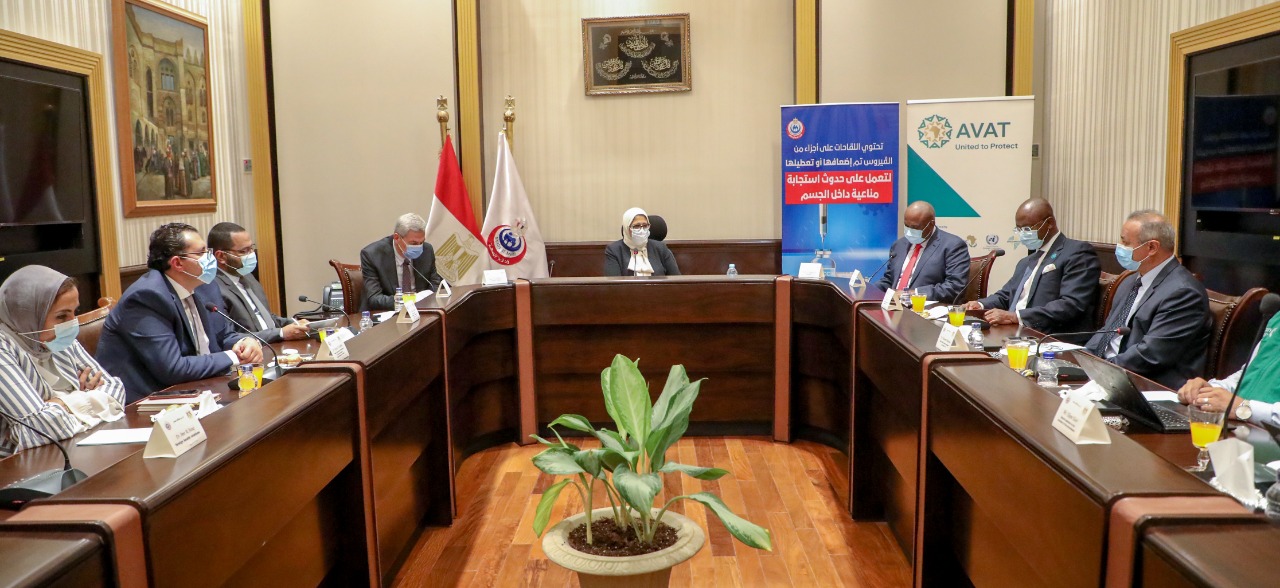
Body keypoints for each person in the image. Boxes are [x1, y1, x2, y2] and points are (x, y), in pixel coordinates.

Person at [96, 223, 263, 402]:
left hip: (201, 389)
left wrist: (245, 342)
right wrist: (233, 356)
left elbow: (224, 335)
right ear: (177, 263)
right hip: (147, 402)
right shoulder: (147, 297)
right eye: (201, 253)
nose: (210, 258)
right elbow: (173, 368)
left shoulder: (205, 286)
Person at [0, 266, 126, 456]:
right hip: (17, 465)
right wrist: (87, 399)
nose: (72, 323)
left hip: (74, 450)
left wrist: (62, 403)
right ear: (26, 315)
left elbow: (116, 391)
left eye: (75, 312)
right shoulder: (4, 347)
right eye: (61, 316)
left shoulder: (58, 339)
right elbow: (42, 428)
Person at [1085, 210, 1210, 389]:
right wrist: (1084, 359)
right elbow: (1108, 331)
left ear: (1151, 247)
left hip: (1148, 385)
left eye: (1125, 242)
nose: (1119, 247)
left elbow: (1151, 355)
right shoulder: (1130, 281)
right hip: (1111, 374)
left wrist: (1101, 369)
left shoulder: (1183, 293)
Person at [965, 198, 1100, 337]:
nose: (1023, 234)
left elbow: (1071, 304)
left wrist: (1016, 317)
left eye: (1027, 229)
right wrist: (980, 305)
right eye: (1019, 229)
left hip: (1050, 336)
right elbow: (1006, 295)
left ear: (1049, 223)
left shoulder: (1077, 252)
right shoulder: (1026, 261)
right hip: (1014, 333)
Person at [1178, 306, 1280, 428]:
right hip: (1240, 426)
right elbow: (1248, 375)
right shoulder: (1277, 319)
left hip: (1270, 435)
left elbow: (1239, 406)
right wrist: (1210, 391)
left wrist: (1243, 408)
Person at [208, 222, 309, 343]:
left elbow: (266, 318)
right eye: (244, 251)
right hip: (252, 351)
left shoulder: (248, 277)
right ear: (221, 257)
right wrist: (281, 333)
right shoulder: (213, 289)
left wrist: (295, 323)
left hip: (274, 345)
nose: (251, 254)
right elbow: (230, 337)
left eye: (251, 248)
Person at [875, 201, 970, 301]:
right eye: (906, 226)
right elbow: (889, 280)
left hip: (924, 307)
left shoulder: (952, 246)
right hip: (894, 305)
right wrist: (869, 289)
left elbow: (955, 287)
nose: (909, 231)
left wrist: (911, 294)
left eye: (915, 227)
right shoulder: (899, 245)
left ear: (931, 224)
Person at [360, 213, 442, 311]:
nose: (419, 247)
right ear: (397, 238)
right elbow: (374, 299)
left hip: (420, 311)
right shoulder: (372, 255)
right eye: (413, 243)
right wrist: (409, 300)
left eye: (421, 242)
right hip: (388, 312)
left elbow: (435, 285)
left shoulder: (427, 250)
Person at [604, 208, 680, 276]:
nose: (641, 230)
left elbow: (676, 280)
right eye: (636, 226)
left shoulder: (660, 248)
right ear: (627, 228)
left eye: (645, 225)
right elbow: (613, 284)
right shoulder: (614, 250)